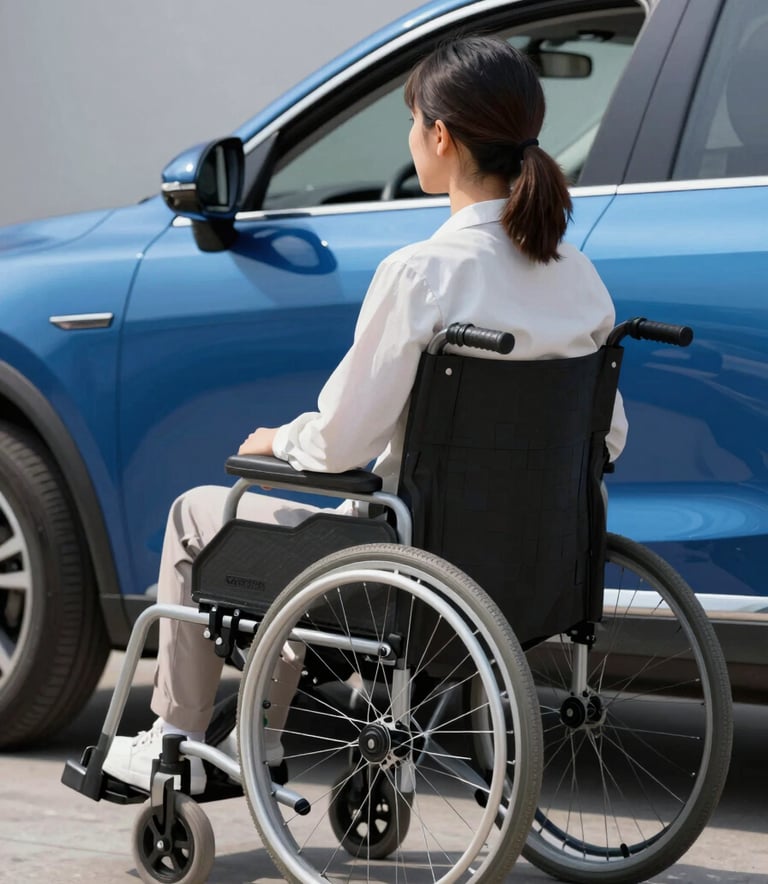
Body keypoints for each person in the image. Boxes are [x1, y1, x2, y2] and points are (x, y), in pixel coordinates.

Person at [103, 35, 628, 794]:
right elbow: (606, 439)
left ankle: (177, 738)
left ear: (441, 137)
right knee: (306, 543)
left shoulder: (421, 273)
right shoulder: (580, 280)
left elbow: (342, 441)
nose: (413, 138)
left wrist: (280, 439)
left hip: (403, 574)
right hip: (532, 572)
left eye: (415, 123)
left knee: (203, 514)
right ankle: (264, 737)